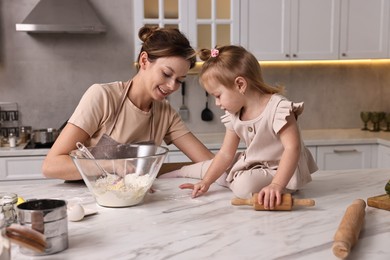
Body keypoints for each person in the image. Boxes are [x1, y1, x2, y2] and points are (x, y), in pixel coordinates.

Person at [42, 26, 214, 180]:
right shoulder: (103, 97)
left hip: (133, 203)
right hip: (89, 203)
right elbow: (51, 166)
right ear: (144, 61)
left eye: (179, 80)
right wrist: (112, 166)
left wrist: (235, 155)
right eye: (166, 74)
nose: (172, 86)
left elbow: (209, 162)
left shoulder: (166, 114)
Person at [161, 45, 318, 209]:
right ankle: (181, 172)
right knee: (213, 164)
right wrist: (206, 182)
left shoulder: (278, 108)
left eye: (218, 96)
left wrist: (277, 185)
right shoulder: (235, 113)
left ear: (240, 84)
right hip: (256, 165)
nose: (217, 103)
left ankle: (230, 179)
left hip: (281, 171)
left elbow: (292, 148)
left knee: (244, 186)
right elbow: (225, 154)